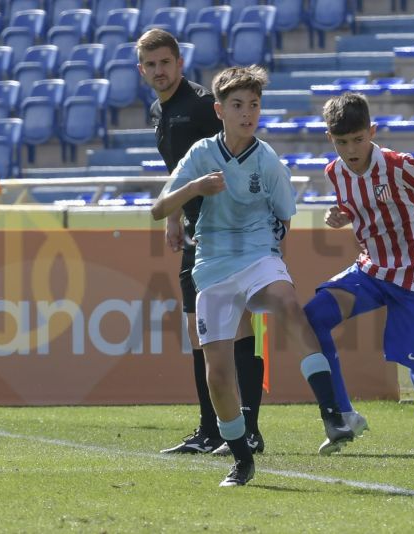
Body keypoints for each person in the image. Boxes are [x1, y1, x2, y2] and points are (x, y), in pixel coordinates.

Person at [151, 65, 354, 487]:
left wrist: (276, 261)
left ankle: (332, 413)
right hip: (212, 265)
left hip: (259, 255)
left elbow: (284, 217)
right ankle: (242, 460)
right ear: (219, 110)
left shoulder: (269, 161)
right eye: (238, 105)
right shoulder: (201, 154)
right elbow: (159, 208)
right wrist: (195, 190)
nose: (248, 113)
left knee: (288, 305)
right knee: (219, 372)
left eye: (254, 105)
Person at [303, 92, 414, 489]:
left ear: (371, 133)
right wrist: (340, 216)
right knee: (312, 316)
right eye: (342, 142)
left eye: (358, 139)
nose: (351, 149)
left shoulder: (400, 166)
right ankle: (344, 414)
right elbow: (356, 212)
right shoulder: (334, 173)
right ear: (330, 139)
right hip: (373, 269)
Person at [137, 29, 265, 456]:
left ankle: (248, 429)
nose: (159, 70)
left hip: (226, 230)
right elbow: (183, 171)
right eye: (151, 65)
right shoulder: (160, 110)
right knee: (199, 329)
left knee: (238, 322)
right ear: (142, 70)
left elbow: (239, 148)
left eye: (165, 62)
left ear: (179, 63)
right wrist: (174, 215)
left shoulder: (199, 106)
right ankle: (212, 429)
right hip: (196, 229)